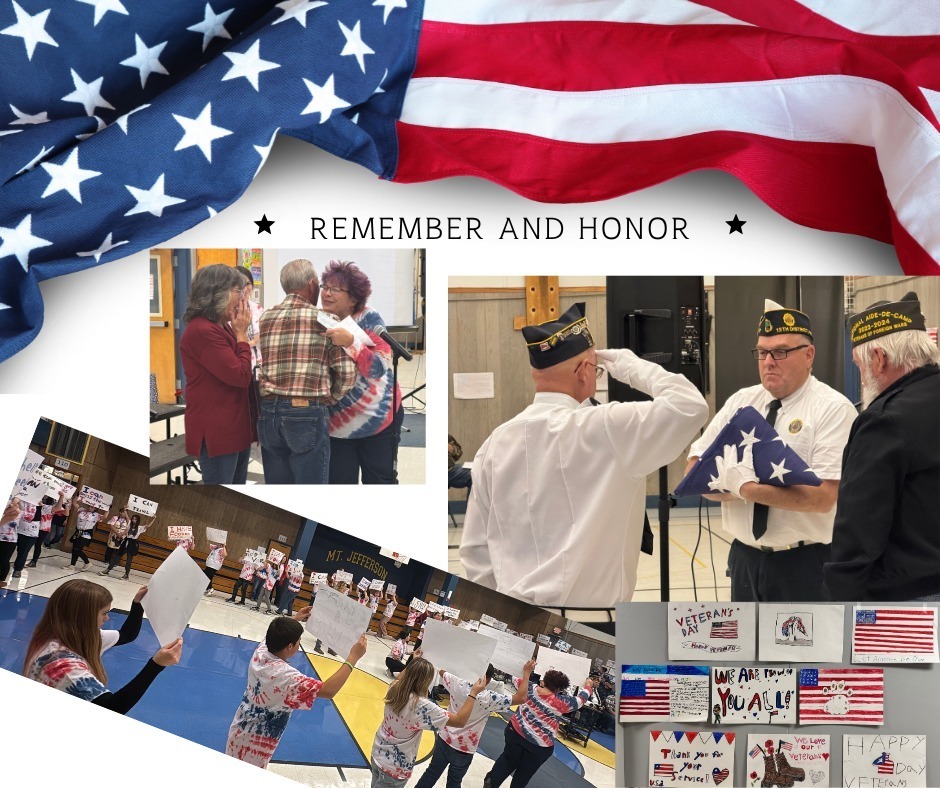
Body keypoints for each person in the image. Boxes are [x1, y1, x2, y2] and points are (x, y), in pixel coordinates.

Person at [461, 302, 708, 608]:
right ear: (583, 372)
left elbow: (474, 549)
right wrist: (627, 364)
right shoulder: (605, 428)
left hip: (516, 617)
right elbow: (690, 406)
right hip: (595, 624)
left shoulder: (494, 444)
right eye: (597, 369)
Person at [687, 300, 857, 602]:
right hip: (743, 560)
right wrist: (754, 488)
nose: (769, 361)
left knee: (802, 650)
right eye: (762, 352)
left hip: (804, 564)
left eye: (780, 352)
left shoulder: (832, 409)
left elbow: (821, 498)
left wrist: (744, 486)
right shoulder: (742, 401)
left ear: (809, 355)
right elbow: (695, 472)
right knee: (747, 650)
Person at [824, 292, 940, 601]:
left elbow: (859, 529)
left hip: (909, 602)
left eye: (860, 365)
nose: (863, 375)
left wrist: (839, 607)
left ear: (879, 358)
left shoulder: (884, 421)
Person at [255, 258, 356, 484]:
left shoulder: (266, 318)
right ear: (311, 284)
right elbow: (347, 374)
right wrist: (330, 397)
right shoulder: (325, 320)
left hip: (269, 413)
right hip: (305, 413)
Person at [226, 612, 367, 768]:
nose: (300, 643)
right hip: (255, 747)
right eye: (298, 640)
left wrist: (294, 620)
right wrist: (353, 657)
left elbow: (274, 635)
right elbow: (328, 690)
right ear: (290, 646)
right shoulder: (286, 677)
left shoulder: (262, 651)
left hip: (239, 728)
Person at [22, 579, 183, 713]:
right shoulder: (62, 665)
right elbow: (111, 708)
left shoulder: (84, 635)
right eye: (104, 613)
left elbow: (127, 634)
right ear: (84, 616)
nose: (107, 619)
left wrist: (138, 604)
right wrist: (155, 665)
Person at [319, 260, 403, 485]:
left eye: (335, 289)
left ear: (354, 298)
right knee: (340, 485)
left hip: (379, 417)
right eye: (325, 287)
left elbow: (377, 368)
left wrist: (351, 342)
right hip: (337, 425)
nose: (326, 293)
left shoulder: (368, 319)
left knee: (380, 483)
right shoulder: (320, 320)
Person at [179, 264, 256, 485]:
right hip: (218, 432)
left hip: (233, 426)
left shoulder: (220, 326)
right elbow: (241, 375)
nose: (242, 299)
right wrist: (242, 334)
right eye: (237, 291)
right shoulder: (202, 330)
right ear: (217, 294)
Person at [414, 661, 535, 788]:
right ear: (487, 680)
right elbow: (521, 698)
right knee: (454, 782)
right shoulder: (489, 698)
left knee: (431, 773)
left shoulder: (457, 683)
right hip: (464, 748)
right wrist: (526, 673)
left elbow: (442, 671)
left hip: (444, 738)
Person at [371, 657, 487, 787]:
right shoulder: (421, 706)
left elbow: (399, 679)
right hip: (394, 768)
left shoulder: (394, 688)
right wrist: (473, 693)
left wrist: (414, 660)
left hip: (378, 753)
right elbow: (460, 721)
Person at [485, 669, 595, 788]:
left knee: (506, 760)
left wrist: (527, 668)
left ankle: (491, 782)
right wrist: (588, 686)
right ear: (559, 689)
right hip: (539, 746)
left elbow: (514, 677)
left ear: (544, 681)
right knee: (523, 775)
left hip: (515, 733)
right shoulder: (562, 703)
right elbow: (581, 699)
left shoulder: (529, 687)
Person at [100, 513, 155, 579]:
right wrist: (126, 510)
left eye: (135, 519)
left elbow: (148, 525)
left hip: (132, 543)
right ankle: (108, 570)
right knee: (117, 557)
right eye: (133, 519)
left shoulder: (140, 528)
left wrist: (154, 518)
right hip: (126, 541)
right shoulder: (129, 524)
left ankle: (126, 575)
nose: (134, 520)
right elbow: (126, 516)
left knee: (129, 560)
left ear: (138, 521)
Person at [233, 264, 264, 369]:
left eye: (248, 284)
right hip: (237, 362)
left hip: (258, 364)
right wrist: (253, 342)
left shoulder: (258, 309)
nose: (245, 288)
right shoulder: (228, 311)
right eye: (240, 284)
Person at [28, 492, 64, 567]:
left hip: (43, 529)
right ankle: (23, 559)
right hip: (32, 527)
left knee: (37, 544)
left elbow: (58, 508)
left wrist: (61, 497)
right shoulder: (35, 505)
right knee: (28, 543)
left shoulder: (48, 507)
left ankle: (34, 561)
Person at [71, 501, 108, 571]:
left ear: (95, 509)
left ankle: (87, 562)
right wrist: (77, 496)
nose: (89, 507)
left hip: (86, 534)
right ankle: (72, 565)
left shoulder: (96, 515)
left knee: (77, 549)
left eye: (92, 507)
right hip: (78, 531)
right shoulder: (82, 510)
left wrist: (107, 509)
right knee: (74, 548)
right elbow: (74, 503)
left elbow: (104, 517)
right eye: (89, 506)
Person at [1, 499, 22, 589]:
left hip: (9, 540)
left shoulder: (17, 512)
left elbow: (16, 510)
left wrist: (12, 503)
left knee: (4, 560)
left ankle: (2, 579)